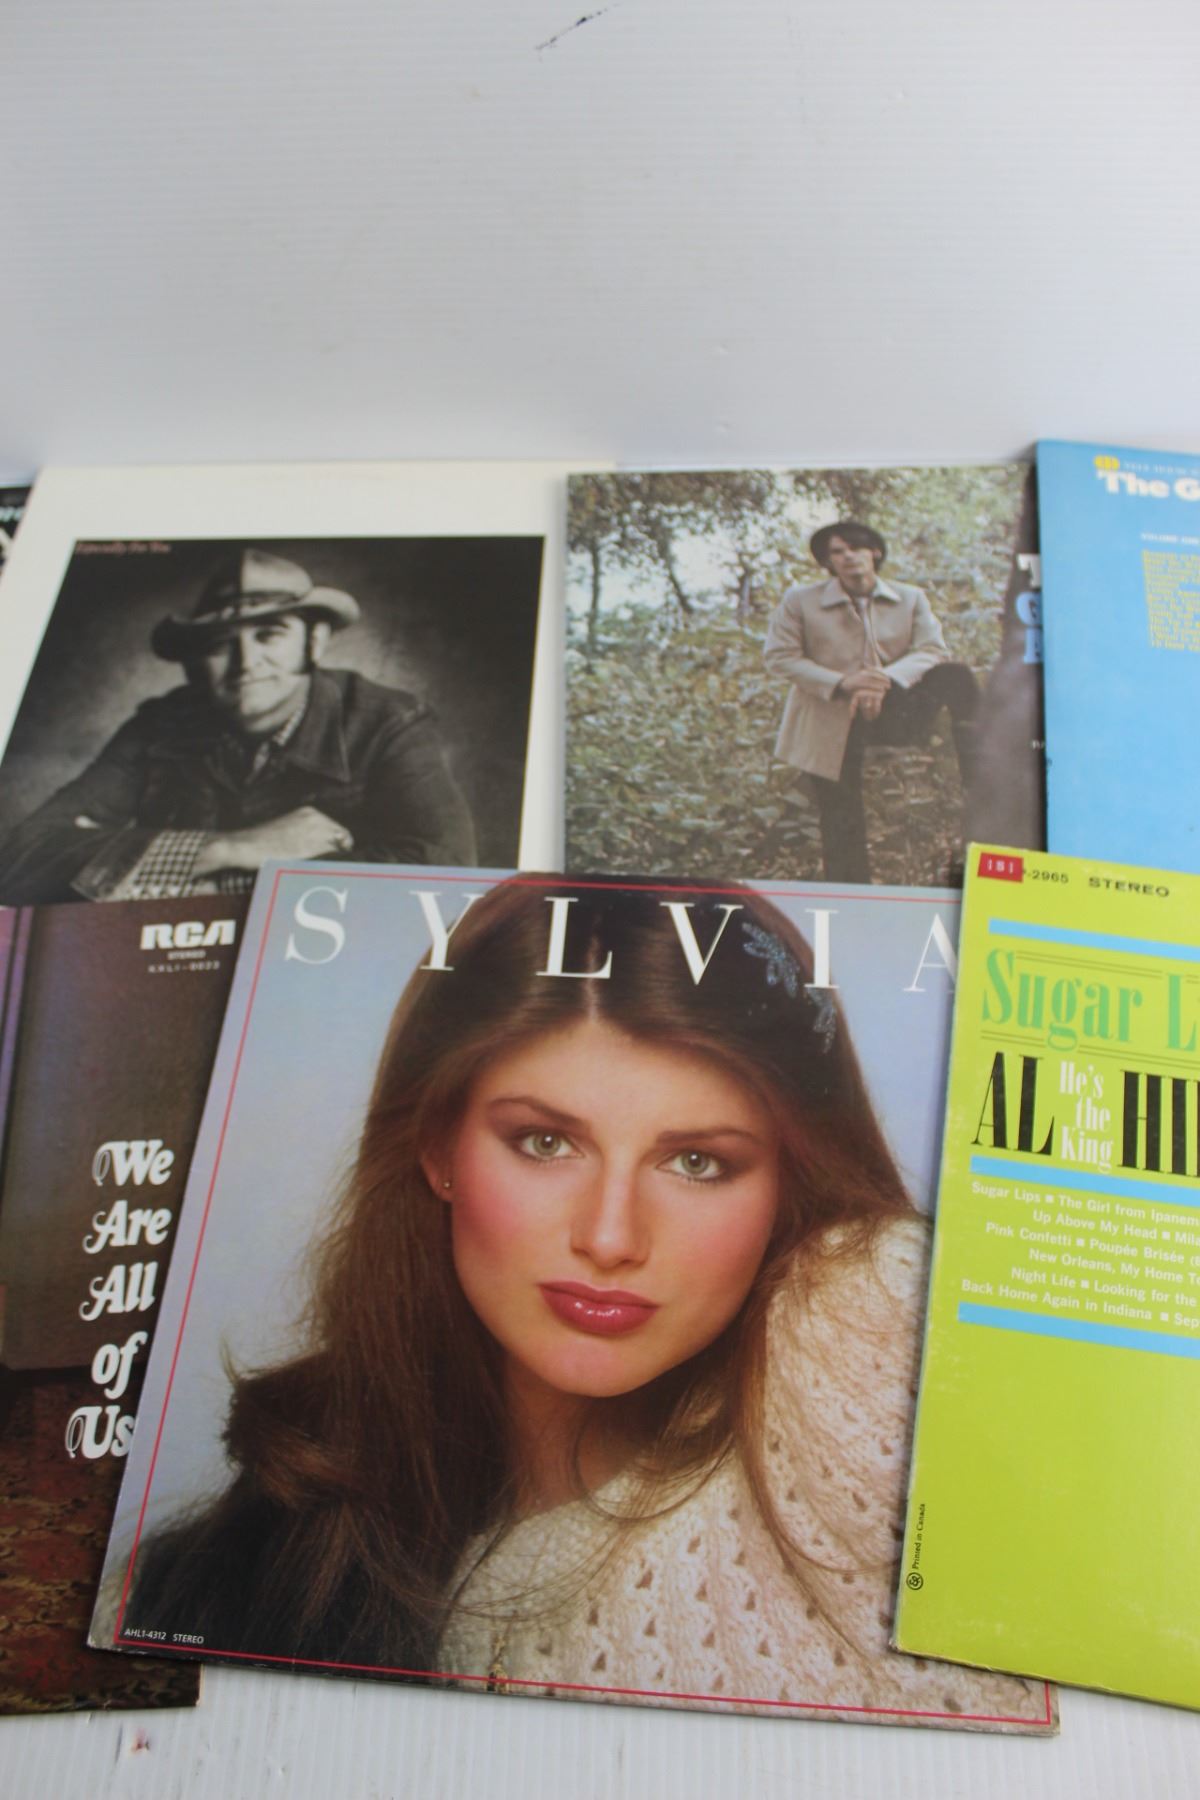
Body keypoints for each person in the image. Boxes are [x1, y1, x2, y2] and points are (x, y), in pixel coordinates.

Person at [122, 878, 1039, 1722]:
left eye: (698, 1162)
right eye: (544, 1143)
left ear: (788, 1188)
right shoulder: (237, 1571)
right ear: (439, 1150)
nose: (609, 1237)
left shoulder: (856, 1321)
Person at [0, 548, 476, 903]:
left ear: (314, 642)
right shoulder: (160, 725)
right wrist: (232, 848)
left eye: (270, 635)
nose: (246, 662)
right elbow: (21, 857)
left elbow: (444, 870)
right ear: (193, 664)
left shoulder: (388, 721)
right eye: (220, 643)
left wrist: (200, 883)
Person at [763, 521, 980, 883]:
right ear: (828, 562)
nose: (848, 557)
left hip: (893, 707)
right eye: (837, 552)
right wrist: (845, 683)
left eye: (856, 548)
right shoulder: (800, 600)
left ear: (874, 553)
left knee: (957, 675)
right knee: (840, 812)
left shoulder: (910, 597)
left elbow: (932, 650)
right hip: (831, 713)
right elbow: (779, 656)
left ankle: (980, 775)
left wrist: (884, 680)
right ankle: (850, 890)